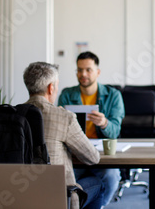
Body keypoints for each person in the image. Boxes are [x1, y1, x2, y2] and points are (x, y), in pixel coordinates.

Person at [22, 62, 103, 209]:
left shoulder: (14, 114)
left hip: (23, 194)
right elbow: (93, 157)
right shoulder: (64, 117)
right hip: (60, 196)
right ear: (50, 88)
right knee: (98, 184)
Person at [58, 51, 124, 207]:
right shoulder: (67, 95)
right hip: (75, 154)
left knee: (111, 176)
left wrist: (104, 123)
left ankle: (99, 206)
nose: (83, 74)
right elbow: (59, 128)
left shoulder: (113, 95)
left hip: (101, 155)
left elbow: (115, 131)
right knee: (62, 180)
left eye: (88, 69)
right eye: (79, 70)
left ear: (98, 72)